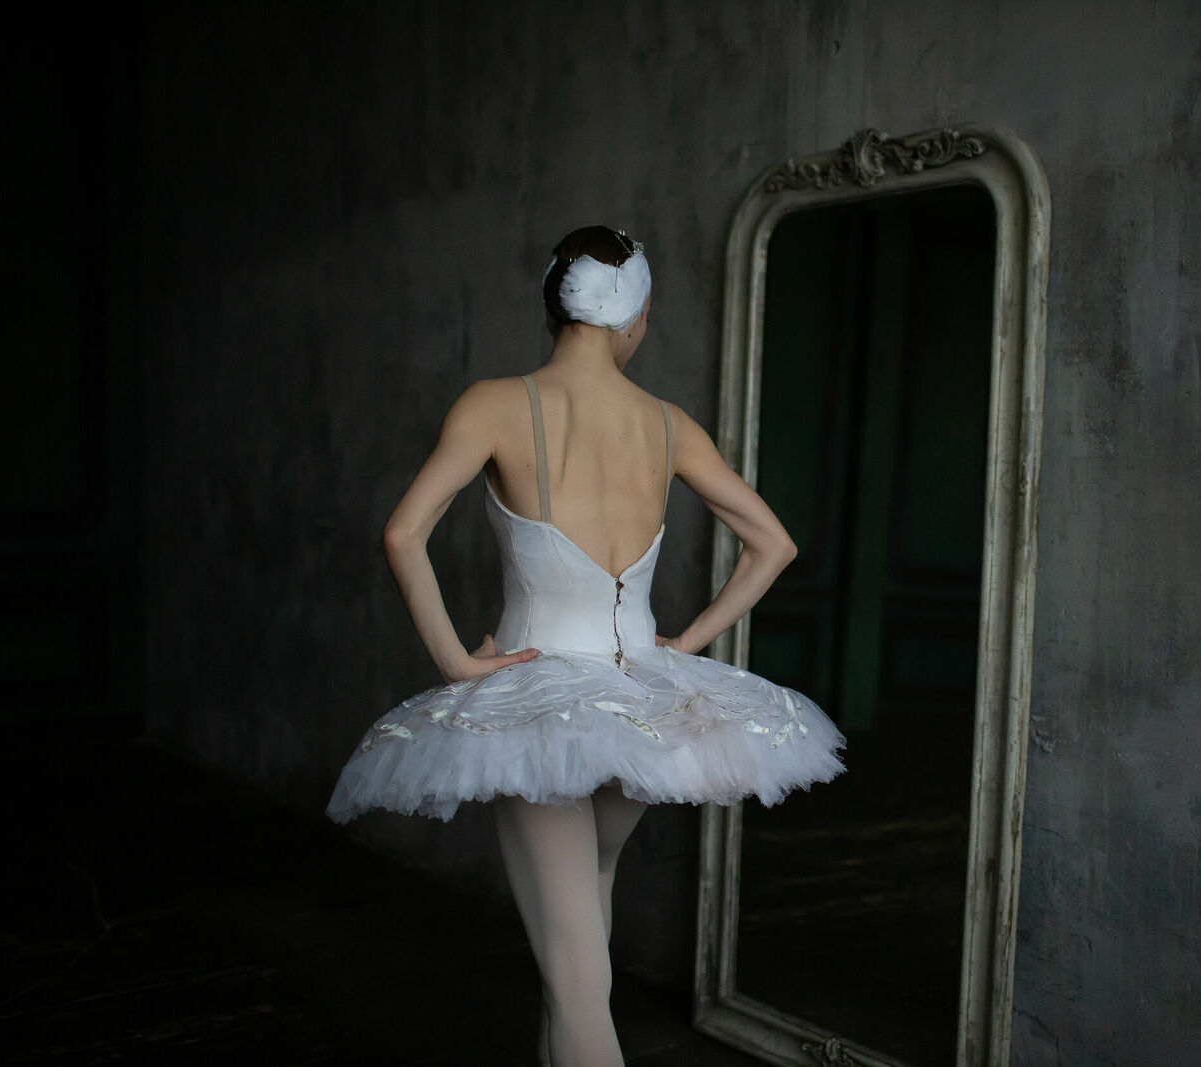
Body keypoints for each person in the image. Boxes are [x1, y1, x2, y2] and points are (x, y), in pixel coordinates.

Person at [325, 225, 845, 1065]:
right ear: (633, 316)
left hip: (539, 704)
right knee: (583, 951)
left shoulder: (494, 403)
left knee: (574, 980)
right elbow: (773, 543)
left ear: (552, 307)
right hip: (643, 697)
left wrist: (459, 662)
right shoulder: (668, 423)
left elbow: (401, 534)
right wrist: (687, 640)